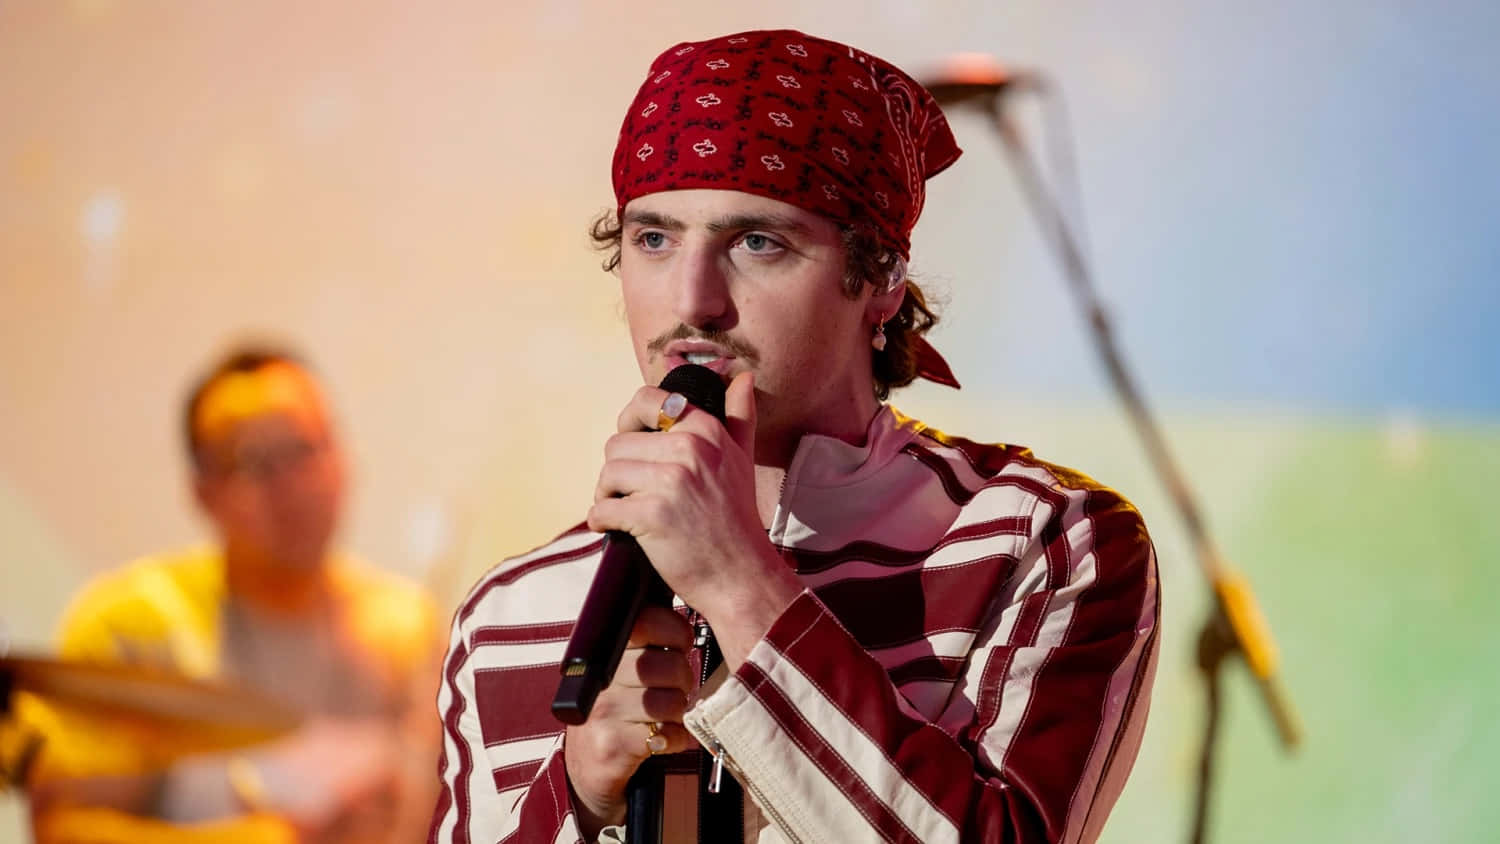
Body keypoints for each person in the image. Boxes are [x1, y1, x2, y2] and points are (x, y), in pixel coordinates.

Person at [430, 29, 1159, 844]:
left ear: (880, 278)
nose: (692, 301)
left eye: (756, 242)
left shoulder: (1036, 540)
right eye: (654, 238)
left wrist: (740, 579)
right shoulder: (509, 616)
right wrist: (575, 796)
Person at [15, 347, 442, 844]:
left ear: (343, 457)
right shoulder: (133, 622)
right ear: (202, 492)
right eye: (253, 461)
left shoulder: (407, 627)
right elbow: (63, 830)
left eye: (304, 449)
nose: (288, 484)